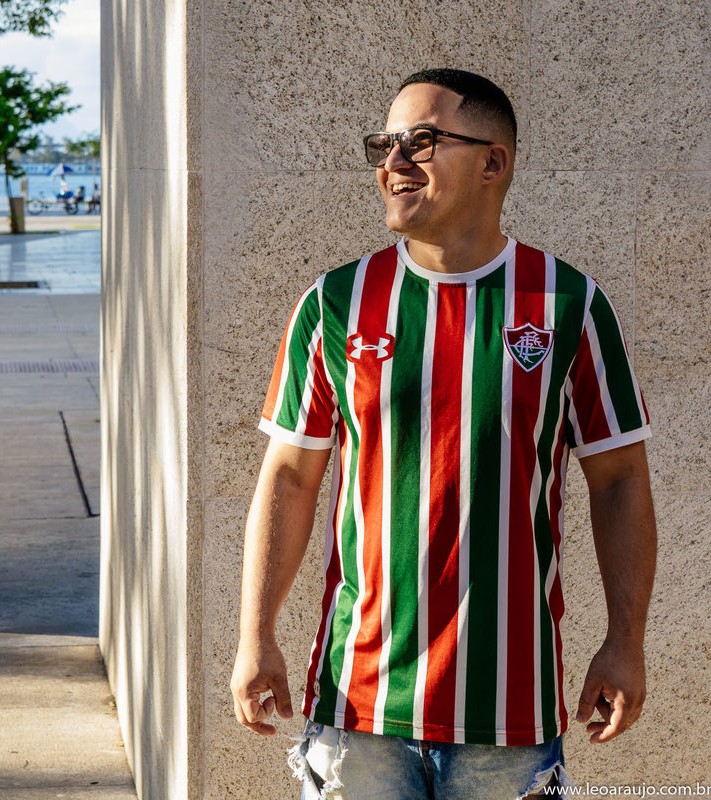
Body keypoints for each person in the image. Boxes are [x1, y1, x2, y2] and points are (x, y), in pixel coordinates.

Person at [230, 69, 655, 798]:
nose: (392, 163)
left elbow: (619, 481)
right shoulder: (334, 303)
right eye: (385, 143)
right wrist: (254, 634)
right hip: (358, 706)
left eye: (420, 143)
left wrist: (625, 641)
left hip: (511, 716)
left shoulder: (570, 304)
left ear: (494, 162)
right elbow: (291, 477)